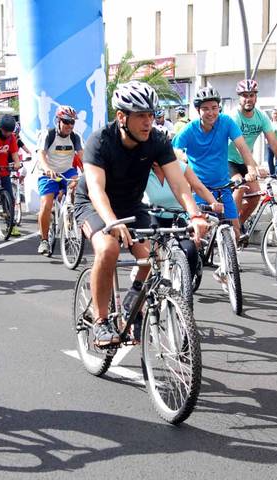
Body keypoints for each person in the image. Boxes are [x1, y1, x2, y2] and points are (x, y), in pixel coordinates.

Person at [74, 81, 208, 346]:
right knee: (108, 249)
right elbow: (96, 190)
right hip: (92, 203)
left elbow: (178, 183)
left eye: (151, 115)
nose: (148, 122)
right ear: (122, 117)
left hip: (131, 204)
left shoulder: (157, 140)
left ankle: (133, 300)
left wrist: (194, 214)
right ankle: (101, 322)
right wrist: (111, 222)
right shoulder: (100, 141)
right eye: (141, 116)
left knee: (151, 256)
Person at [173, 86, 263, 240]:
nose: (211, 112)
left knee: (235, 232)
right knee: (198, 235)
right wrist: (182, 158)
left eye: (214, 108)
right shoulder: (189, 129)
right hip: (200, 189)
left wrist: (251, 169)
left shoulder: (226, 122)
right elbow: (175, 150)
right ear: (198, 110)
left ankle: (230, 262)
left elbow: (242, 146)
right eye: (205, 108)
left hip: (223, 188)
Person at [227, 79, 277, 229]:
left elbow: (274, 143)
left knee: (256, 195)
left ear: (256, 97)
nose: (248, 99)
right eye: (244, 95)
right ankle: (230, 226)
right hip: (228, 159)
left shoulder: (261, 117)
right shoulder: (234, 116)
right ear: (239, 97)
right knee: (240, 187)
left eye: (251, 95)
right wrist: (255, 166)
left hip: (246, 162)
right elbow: (240, 145)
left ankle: (237, 225)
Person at [143, 159, 224, 278]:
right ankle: (151, 284)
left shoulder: (179, 167)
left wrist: (214, 203)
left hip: (178, 215)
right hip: (153, 214)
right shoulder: (142, 169)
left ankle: (186, 287)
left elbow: (198, 186)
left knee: (190, 251)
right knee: (152, 253)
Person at [36, 105, 83, 254]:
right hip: (48, 172)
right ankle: (44, 240)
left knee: (78, 187)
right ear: (58, 120)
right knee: (46, 204)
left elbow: (83, 156)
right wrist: (47, 168)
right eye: (66, 121)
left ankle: (71, 222)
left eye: (72, 122)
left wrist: (89, 170)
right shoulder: (48, 135)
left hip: (67, 171)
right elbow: (41, 154)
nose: (69, 125)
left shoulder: (75, 137)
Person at [265, 108, 277, 176]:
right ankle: (272, 173)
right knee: (270, 158)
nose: (275, 115)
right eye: (274, 113)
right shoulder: (268, 123)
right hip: (270, 143)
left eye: (276, 113)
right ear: (271, 114)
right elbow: (265, 132)